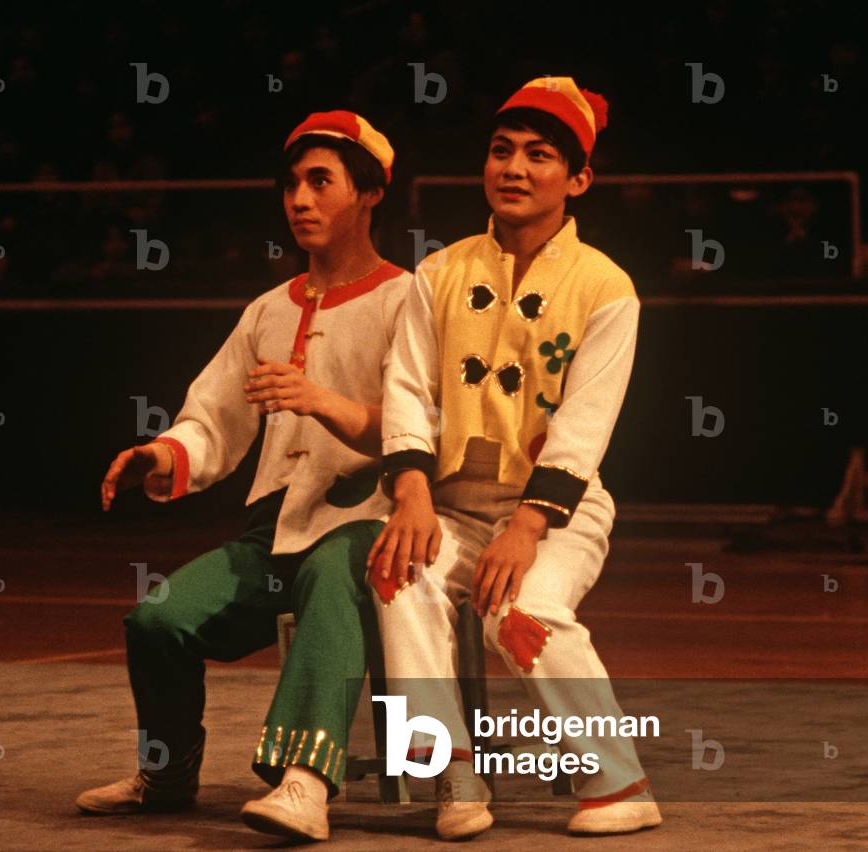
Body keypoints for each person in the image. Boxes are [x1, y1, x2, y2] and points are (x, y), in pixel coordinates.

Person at [75, 110, 411, 843]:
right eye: (291, 183)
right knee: (157, 618)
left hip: (368, 525)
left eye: (320, 181)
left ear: (369, 193)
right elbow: (214, 416)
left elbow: (422, 422)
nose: (299, 198)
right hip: (275, 529)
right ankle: (166, 776)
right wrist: (161, 456)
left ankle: (305, 781)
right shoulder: (267, 309)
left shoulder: (405, 300)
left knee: (330, 576)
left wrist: (323, 402)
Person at [367, 77, 662, 839]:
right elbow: (405, 389)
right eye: (501, 151)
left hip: (555, 511)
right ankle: (449, 779)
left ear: (578, 179)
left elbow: (584, 425)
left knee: (521, 612)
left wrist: (528, 526)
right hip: (447, 502)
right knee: (396, 573)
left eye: (538, 155)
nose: (514, 168)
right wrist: (410, 494)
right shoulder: (437, 272)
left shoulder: (606, 287)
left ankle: (619, 783)